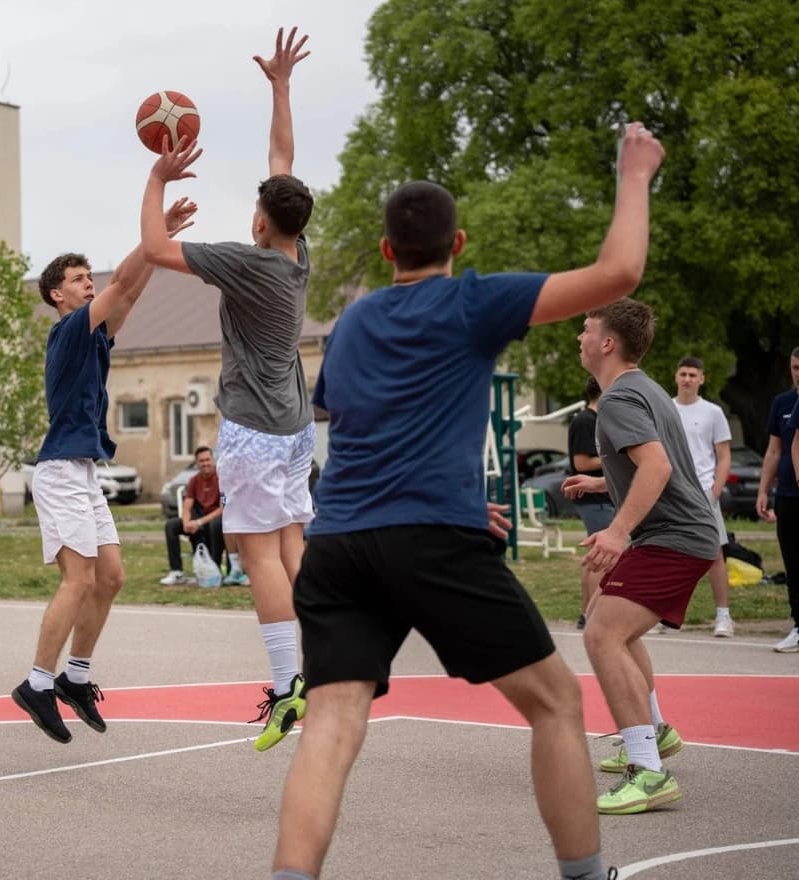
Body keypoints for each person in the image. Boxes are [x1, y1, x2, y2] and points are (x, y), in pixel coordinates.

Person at [270, 122, 666, 880]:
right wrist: (635, 173)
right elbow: (620, 272)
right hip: (429, 540)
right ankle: (586, 876)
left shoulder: (350, 326)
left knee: (333, 721)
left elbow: (367, 429)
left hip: (340, 545)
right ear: (460, 244)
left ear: (387, 252)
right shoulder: (470, 303)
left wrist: (449, 500)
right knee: (554, 702)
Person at [141, 26, 314, 752]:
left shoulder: (249, 265)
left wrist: (156, 179)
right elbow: (284, 164)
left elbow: (155, 249)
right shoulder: (298, 251)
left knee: (258, 550)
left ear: (258, 219)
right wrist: (280, 87)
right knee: (293, 540)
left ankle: (287, 685)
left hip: (251, 428)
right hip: (296, 423)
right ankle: (322, 659)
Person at [12, 198, 197, 743]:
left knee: (111, 577)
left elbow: (130, 290)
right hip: (59, 472)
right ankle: (37, 684)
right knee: (79, 579)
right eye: (77, 278)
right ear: (57, 295)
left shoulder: (94, 336)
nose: (89, 283)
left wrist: (157, 251)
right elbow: (120, 287)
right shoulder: (68, 331)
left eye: (90, 277)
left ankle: (75, 677)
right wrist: (157, 230)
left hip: (85, 472)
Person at [562, 300, 719, 816]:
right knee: (615, 626)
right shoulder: (643, 387)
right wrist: (602, 481)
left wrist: (617, 530)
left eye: (586, 330)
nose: (580, 338)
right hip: (680, 532)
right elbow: (653, 464)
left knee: (601, 633)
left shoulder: (618, 401)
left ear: (607, 343)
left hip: (673, 536)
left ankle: (649, 771)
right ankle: (653, 731)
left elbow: (656, 469)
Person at [672, 355, 736, 637]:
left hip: (703, 492)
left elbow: (723, 456)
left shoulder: (713, 412)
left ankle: (723, 616)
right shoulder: (666, 409)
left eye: (692, 374)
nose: (687, 379)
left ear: (701, 379)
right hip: (672, 491)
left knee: (714, 553)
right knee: (669, 551)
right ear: (676, 377)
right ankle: (666, 614)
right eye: (683, 374)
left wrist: (714, 491)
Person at [159, 446, 251, 586]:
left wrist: (199, 522)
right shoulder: (194, 480)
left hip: (215, 519)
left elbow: (223, 508)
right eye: (201, 461)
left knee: (216, 524)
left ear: (213, 460)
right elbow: (187, 505)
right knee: (171, 525)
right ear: (197, 463)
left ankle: (215, 570)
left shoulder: (222, 478)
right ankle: (176, 572)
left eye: (207, 459)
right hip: (199, 519)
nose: (205, 463)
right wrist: (186, 523)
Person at [566, 376, 616, 629]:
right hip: (594, 499)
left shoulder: (597, 420)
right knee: (602, 557)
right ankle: (593, 615)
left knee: (595, 557)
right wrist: (616, 458)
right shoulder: (586, 421)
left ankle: (587, 614)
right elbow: (582, 463)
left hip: (601, 497)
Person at [761, 347, 799, 652]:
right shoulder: (782, 403)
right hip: (787, 494)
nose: (798, 372)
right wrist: (763, 490)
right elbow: (775, 450)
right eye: (795, 367)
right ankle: (798, 625)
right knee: (792, 562)